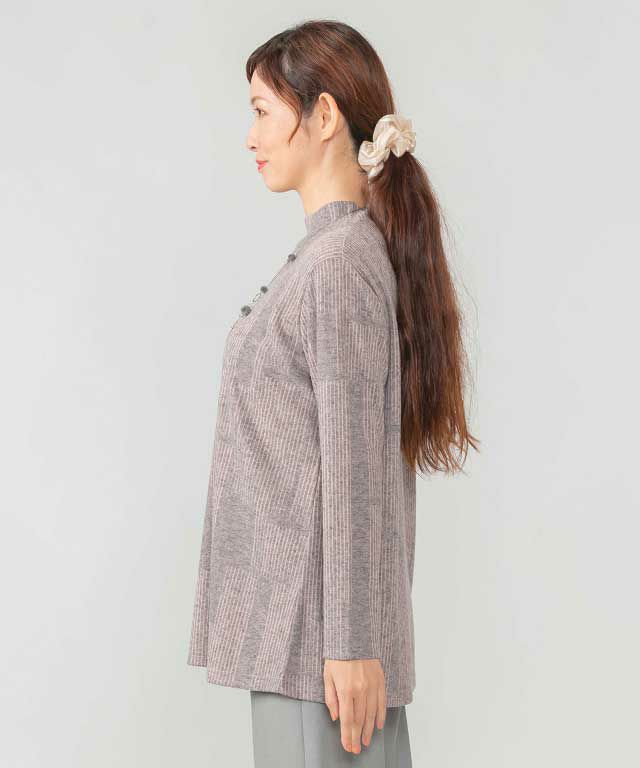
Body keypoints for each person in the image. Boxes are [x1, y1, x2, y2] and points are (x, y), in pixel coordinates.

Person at [187, 19, 479, 767]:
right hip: (306, 644)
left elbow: (353, 468)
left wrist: (350, 646)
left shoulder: (339, 265)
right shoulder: (333, 255)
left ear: (322, 116)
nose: (250, 136)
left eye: (262, 111)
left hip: (317, 651)